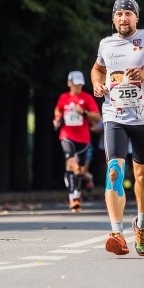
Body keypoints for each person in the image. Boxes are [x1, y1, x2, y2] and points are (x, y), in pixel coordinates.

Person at [90, 0, 144, 256]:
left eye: (128, 14)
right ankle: (116, 233)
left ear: (136, 18)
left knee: (142, 175)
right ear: (113, 19)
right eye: (119, 15)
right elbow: (97, 69)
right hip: (114, 116)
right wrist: (97, 84)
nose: (123, 18)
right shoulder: (106, 44)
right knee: (114, 171)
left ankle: (141, 223)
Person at [53, 70, 101, 212]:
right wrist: (57, 119)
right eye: (75, 84)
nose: (78, 87)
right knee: (71, 164)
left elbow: (97, 118)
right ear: (69, 83)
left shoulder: (87, 98)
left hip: (83, 138)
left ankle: (85, 181)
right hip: (66, 136)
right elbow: (58, 111)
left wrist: (84, 112)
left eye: (80, 84)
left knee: (79, 170)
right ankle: (73, 197)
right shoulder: (63, 97)